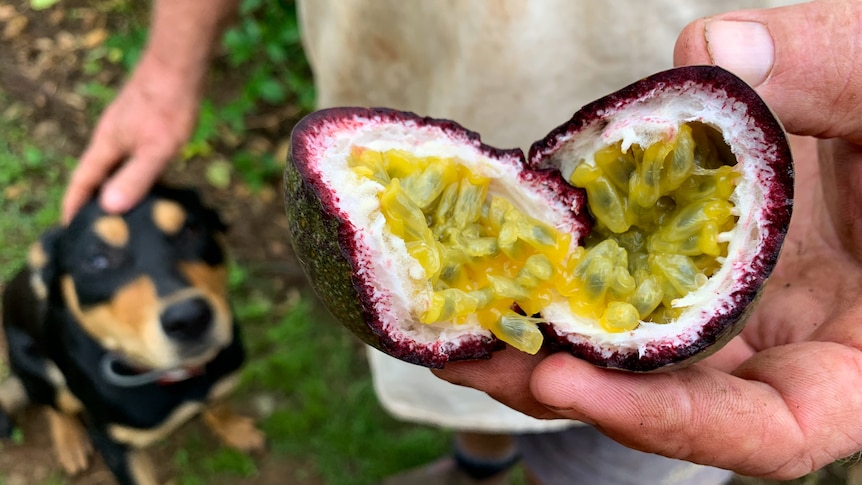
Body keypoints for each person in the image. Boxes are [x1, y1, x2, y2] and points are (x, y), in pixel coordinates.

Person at [61, 0, 861, 483]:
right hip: (407, 88)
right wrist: (167, 68)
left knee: (627, 441)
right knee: (472, 375)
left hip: (799, 174)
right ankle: (477, 466)